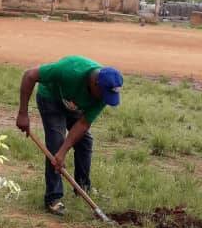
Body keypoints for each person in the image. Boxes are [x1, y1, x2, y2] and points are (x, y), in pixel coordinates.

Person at [15, 56, 123, 216]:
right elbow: (30, 75)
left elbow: (83, 124)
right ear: (95, 84)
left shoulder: (102, 93)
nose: (104, 100)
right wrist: (23, 113)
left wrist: (64, 151)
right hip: (50, 98)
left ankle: (82, 187)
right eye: (104, 95)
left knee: (85, 141)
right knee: (56, 144)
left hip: (73, 104)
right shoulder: (70, 69)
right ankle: (53, 197)